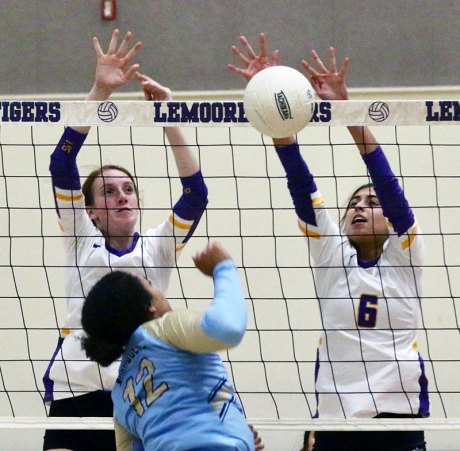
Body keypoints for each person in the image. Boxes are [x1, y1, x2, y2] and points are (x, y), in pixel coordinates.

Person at [229, 33, 429, 451]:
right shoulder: (332, 254)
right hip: (336, 422)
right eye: (353, 204)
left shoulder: (406, 256)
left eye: (370, 203)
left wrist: (350, 114)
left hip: (398, 421)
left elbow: (390, 190)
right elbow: (302, 187)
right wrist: (276, 116)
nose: (359, 207)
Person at [43, 29, 208, 451]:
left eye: (128, 189)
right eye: (109, 191)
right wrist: (99, 91)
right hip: (77, 390)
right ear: (91, 211)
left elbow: (196, 195)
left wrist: (170, 120)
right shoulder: (80, 236)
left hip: (139, 393)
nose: (121, 196)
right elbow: (61, 162)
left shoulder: (158, 246)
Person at [81, 241, 263, 450]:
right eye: (150, 284)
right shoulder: (163, 330)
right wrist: (224, 268)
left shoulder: (120, 395)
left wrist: (239, 434)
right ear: (149, 305)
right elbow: (228, 328)